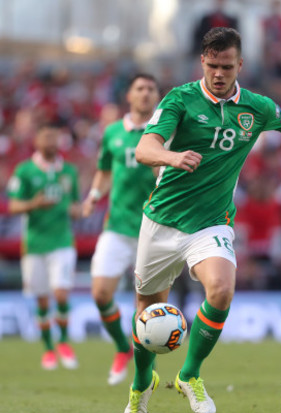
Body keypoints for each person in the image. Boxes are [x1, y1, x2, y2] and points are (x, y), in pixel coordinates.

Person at [122, 27, 281, 413]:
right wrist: (171, 158)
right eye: (212, 66)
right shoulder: (181, 99)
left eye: (227, 66)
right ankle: (141, 385)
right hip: (161, 223)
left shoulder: (256, 107)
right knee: (147, 314)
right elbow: (144, 148)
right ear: (202, 63)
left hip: (211, 222)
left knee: (222, 290)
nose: (219, 74)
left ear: (240, 64)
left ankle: (190, 374)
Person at [81, 73, 160, 385]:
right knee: (101, 294)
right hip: (116, 226)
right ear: (129, 95)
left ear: (157, 96)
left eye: (151, 89)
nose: (145, 94)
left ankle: (145, 370)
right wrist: (93, 196)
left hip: (152, 230)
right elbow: (103, 172)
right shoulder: (112, 133)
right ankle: (121, 348)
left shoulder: (163, 132)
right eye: (140, 89)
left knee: (148, 306)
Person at [7, 123, 82, 370]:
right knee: (41, 301)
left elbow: (75, 206)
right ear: (37, 141)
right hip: (34, 243)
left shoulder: (69, 171)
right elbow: (13, 206)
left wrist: (79, 210)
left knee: (61, 293)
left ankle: (63, 342)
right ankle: (49, 349)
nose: (51, 140)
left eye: (54, 136)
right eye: (46, 136)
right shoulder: (25, 170)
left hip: (62, 241)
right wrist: (33, 204)